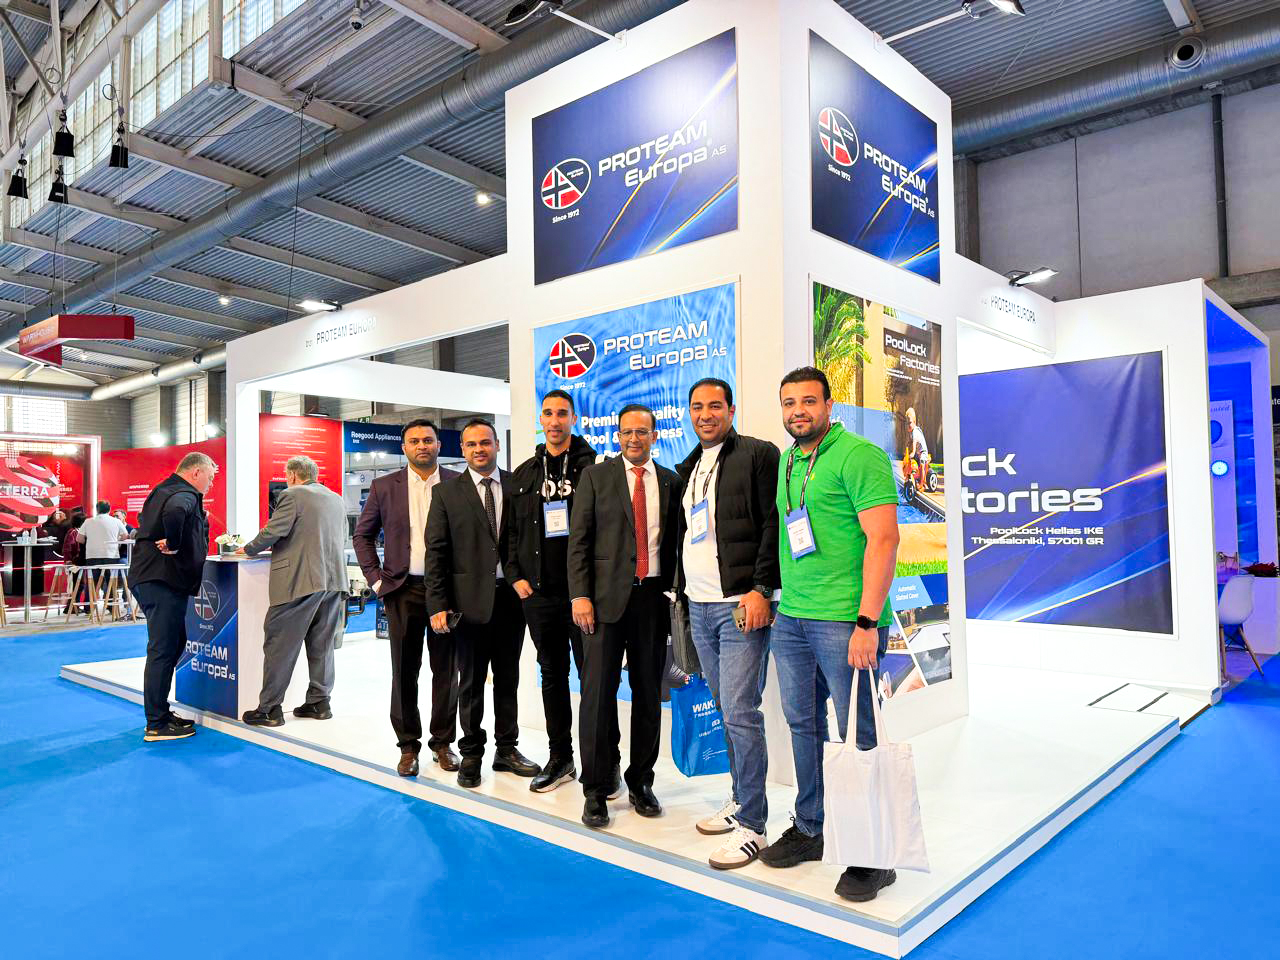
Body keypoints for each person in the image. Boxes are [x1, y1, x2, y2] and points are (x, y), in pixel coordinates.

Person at [760, 367, 900, 904]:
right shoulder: (789, 461)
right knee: (802, 725)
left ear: (828, 405)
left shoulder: (860, 456)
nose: (798, 411)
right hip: (793, 617)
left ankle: (873, 854)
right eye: (789, 402)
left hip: (846, 621)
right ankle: (811, 827)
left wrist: (867, 622)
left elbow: (884, 540)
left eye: (808, 401)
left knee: (859, 734)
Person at [675, 378, 780, 869]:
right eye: (697, 407)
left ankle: (755, 825)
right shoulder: (690, 465)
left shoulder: (757, 454)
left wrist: (761, 588)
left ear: (731, 410)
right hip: (698, 605)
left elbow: (772, 524)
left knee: (740, 710)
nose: (705, 414)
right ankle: (740, 801)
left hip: (740, 605)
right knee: (725, 708)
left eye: (714, 405)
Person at [569, 404, 683, 830]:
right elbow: (579, 541)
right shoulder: (596, 477)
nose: (634, 439)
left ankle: (641, 782)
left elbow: (676, 543)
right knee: (597, 696)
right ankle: (596, 790)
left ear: (654, 435)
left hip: (652, 600)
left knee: (649, 694)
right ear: (617, 436)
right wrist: (580, 595)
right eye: (626, 432)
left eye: (642, 432)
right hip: (601, 603)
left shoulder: (670, 481)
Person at [426, 419, 539, 789]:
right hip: (467, 603)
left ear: (497, 445)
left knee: (508, 679)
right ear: (462, 449)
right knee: (471, 683)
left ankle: (507, 749)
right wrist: (437, 603)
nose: (479, 449)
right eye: (472, 444)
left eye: (485, 443)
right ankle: (472, 753)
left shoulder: (517, 485)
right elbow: (436, 552)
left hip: (511, 600)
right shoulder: (446, 493)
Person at [353, 419, 462, 777]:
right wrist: (376, 581)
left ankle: (442, 743)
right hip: (401, 590)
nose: (422, 446)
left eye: (428, 440)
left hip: (446, 593)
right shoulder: (385, 486)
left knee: (445, 670)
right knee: (404, 671)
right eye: (414, 441)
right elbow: (363, 536)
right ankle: (407, 746)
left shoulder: (457, 483)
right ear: (404, 447)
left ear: (438, 444)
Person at [507, 389, 600, 793]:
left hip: (583, 597)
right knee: (552, 676)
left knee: (593, 679)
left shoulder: (594, 468)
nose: (555, 420)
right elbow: (511, 532)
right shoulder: (526, 472)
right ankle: (561, 758)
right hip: (540, 597)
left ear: (574, 419)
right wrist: (515, 575)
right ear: (541, 419)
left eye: (562, 413)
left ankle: (602, 763)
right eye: (548, 413)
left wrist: (591, 589)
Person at [240, 455, 348, 727]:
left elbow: (273, 532)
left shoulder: (292, 495)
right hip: (333, 582)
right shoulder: (335, 498)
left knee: (279, 645)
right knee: (322, 645)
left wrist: (248, 549)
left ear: (291, 475)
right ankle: (319, 702)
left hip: (299, 580)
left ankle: (269, 709)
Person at [128, 452, 217, 742]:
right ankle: (156, 723)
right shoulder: (184, 493)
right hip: (161, 580)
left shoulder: (164, 489)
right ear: (195, 473)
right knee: (163, 649)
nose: (210, 484)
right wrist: (176, 543)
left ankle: (161, 713)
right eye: (209, 478)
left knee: (174, 643)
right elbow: (176, 512)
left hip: (155, 578)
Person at [78, 501, 132, 591]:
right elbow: (125, 536)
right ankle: (110, 600)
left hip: (92, 556)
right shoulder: (116, 521)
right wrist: (117, 539)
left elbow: (79, 539)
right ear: (109, 510)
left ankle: (89, 600)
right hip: (111, 555)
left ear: (97, 510)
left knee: (92, 583)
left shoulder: (88, 521)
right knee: (110, 583)